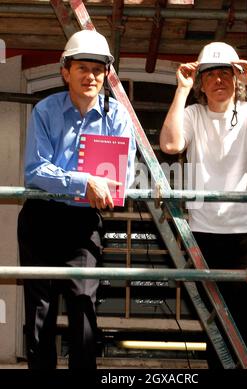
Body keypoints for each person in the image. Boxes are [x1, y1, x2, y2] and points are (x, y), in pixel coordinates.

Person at [17, 29, 136, 370]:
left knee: (84, 306)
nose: (91, 76)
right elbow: (35, 170)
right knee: (40, 311)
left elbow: (122, 179)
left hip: (84, 221)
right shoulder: (46, 110)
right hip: (41, 215)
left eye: (98, 70)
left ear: (106, 75)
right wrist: (85, 182)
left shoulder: (117, 118)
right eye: (82, 68)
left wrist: (96, 188)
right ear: (65, 72)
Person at [160, 42, 247, 369]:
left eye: (225, 73)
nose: (218, 80)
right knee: (215, 316)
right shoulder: (193, 114)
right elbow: (170, 144)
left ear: (235, 78)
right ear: (201, 82)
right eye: (210, 74)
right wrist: (182, 89)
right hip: (204, 231)